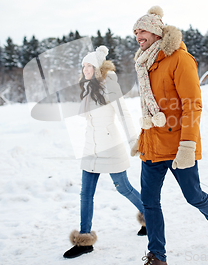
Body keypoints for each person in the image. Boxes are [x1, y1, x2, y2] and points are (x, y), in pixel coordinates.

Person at [129, 6, 208, 265]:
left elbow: (192, 104)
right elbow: (150, 106)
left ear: (156, 32)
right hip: (152, 145)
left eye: (143, 30)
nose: (138, 35)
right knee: (149, 203)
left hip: (177, 145)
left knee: (193, 196)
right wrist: (140, 137)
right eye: (136, 31)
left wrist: (188, 145)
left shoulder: (180, 59)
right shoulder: (144, 63)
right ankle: (157, 256)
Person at [63, 46, 146, 259]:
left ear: (97, 67)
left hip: (111, 146)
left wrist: (133, 141)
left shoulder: (110, 85)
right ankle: (84, 240)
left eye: (89, 66)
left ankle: (150, 217)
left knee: (123, 187)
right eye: (83, 66)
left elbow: (124, 114)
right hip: (91, 147)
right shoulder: (88, 88)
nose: (85, 69)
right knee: (86, 194)